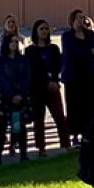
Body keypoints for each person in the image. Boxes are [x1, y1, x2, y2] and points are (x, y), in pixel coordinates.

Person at [26, 19, 70, 156]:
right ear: (36, 31)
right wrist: (45, 82)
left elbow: (58, 65)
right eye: (41, 29)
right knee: (39, 118)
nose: (44, 31)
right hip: (37, 88)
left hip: (53, 87)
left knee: (59, 116)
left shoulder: (53, 49)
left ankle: (65, 143)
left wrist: (54, 81)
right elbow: (32, 70)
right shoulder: (30, 51)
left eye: (46, 29)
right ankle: (41, 147)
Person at [62, 9, 94, 146]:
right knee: (74, 106)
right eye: (78, 18)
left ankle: (89, 133)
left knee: (90, 105)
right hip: (74, 77)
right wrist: (89, 52)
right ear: (72, 20)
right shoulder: (67, 36)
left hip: (89, 76)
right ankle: (75, 136)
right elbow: (71, 53)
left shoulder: (90, 34)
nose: (81, 20)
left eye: (82, 17)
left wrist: (89, 52)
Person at [0, 34, 31, 164]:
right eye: (12, 42)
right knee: (2, 127)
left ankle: (23, 154)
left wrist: (21, 94)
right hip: (6, 98)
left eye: (17, 42)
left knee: (19, 126)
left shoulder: (23, 60)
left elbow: (27, 77)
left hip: (20, 98)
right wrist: (11, 95)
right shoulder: (1, 60)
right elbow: (1, 78)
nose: (14, 44)